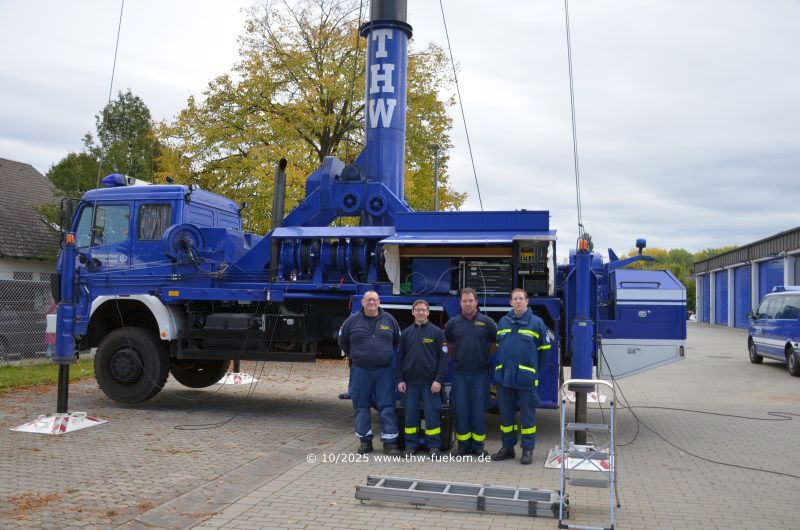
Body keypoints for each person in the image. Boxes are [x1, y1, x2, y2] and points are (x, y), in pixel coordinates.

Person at [491, 288, 551, 465]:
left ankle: (527, 450)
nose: (518, 301)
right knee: (506, 416)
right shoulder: (503, 322)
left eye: (521, 298)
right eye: (515, 299)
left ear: (527, 301)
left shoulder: (537, 323)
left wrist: (532, 370)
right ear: (510, 302)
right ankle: (507, 448)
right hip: (505, 379)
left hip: (525, 379)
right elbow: (498, 347)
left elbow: (545, 351)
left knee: (527, 416)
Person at [338, 290, 401, 455]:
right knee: (361, 405)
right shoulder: (351, 321)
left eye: (375, 300)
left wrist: (382, 355)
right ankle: (365, 442)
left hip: (384, 371)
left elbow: (396, 342)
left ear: (379, 302)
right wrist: (356, 356)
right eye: (368, 300)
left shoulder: (389, 320)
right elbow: (343, 341)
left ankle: (389, 443)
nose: (372, 303)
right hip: (361, 370)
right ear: (363, 302)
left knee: (387, 405)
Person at [444, 287, 497, 457]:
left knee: (478, 410)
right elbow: (448, 344)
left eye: (470, 300)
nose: (467, 304)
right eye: (464, 301)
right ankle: (463, 446)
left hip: (480, 374)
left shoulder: (487, 323)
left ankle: (478, 446)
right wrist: (457, 356)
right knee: (461, 410)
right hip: (460, 374)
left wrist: (484, 357)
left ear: (476, 302)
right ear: (460, 303)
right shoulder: (452, 324)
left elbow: (494, 344)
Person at [396, 299, 448, 459]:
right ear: (413, 312)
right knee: (410, 416)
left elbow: (443, 358)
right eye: (417, 310)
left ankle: (434, 447)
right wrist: (400, 379)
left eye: (423, 310)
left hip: (430, 384)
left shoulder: (437, 332)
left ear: (428, 312)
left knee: (432, 416)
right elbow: (400, 358)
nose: (420, 312)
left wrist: (438, 380)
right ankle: (410, 446)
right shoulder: (406, 333)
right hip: (410, 384)